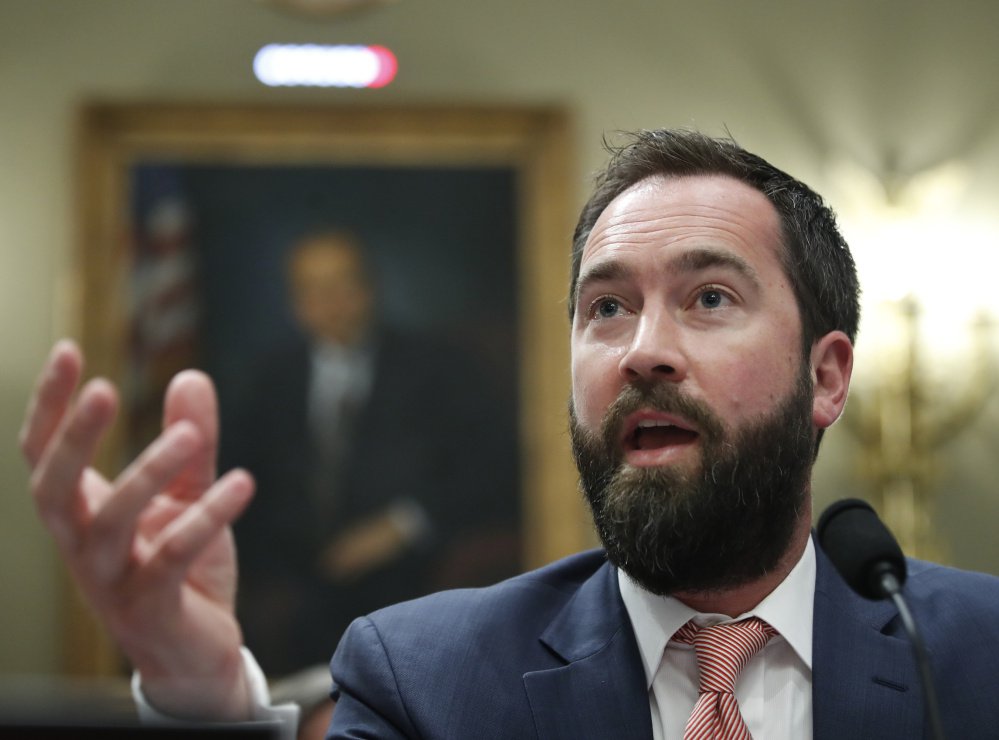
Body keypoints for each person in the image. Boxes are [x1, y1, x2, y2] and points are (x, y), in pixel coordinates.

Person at [20, 129, 999, 739]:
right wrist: (197, 691)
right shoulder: (427, 682)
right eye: (606, 308)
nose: (642, 350)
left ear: (827, 376)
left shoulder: (972, 657)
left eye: (708, 297)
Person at [223, 231, 520, 676]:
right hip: (292, 589)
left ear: (368, 288)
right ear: (295, 302)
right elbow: (241, 480)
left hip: (408, 579)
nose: (331, 301)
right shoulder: (270, 381)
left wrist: (401, 526)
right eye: (313, 289)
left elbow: (488, 470)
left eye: (342, 284)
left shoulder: (437, 369)